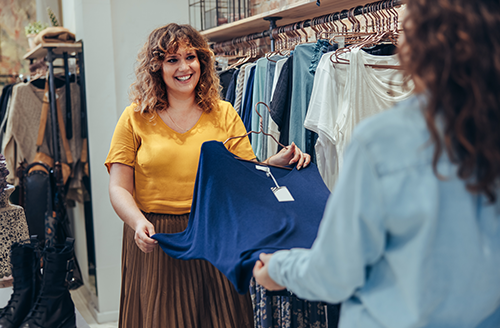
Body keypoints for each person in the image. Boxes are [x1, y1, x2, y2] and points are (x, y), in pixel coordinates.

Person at [253, 0, 500, 327]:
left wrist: (278, 270)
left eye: (405, 32)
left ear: (419, 45)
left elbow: (338, 271)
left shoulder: (385, 140)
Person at [105, 23, 311, 328]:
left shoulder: (224, 113)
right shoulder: (135, 117)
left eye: (191, 57)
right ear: (156, 67)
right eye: (172, 60)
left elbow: (244, 178)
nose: (184, 67)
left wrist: (276, 163)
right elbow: (119, 187)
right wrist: (137, 223)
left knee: (222, 319)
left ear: (202, 61)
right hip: (158, 236)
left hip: (215, 232)